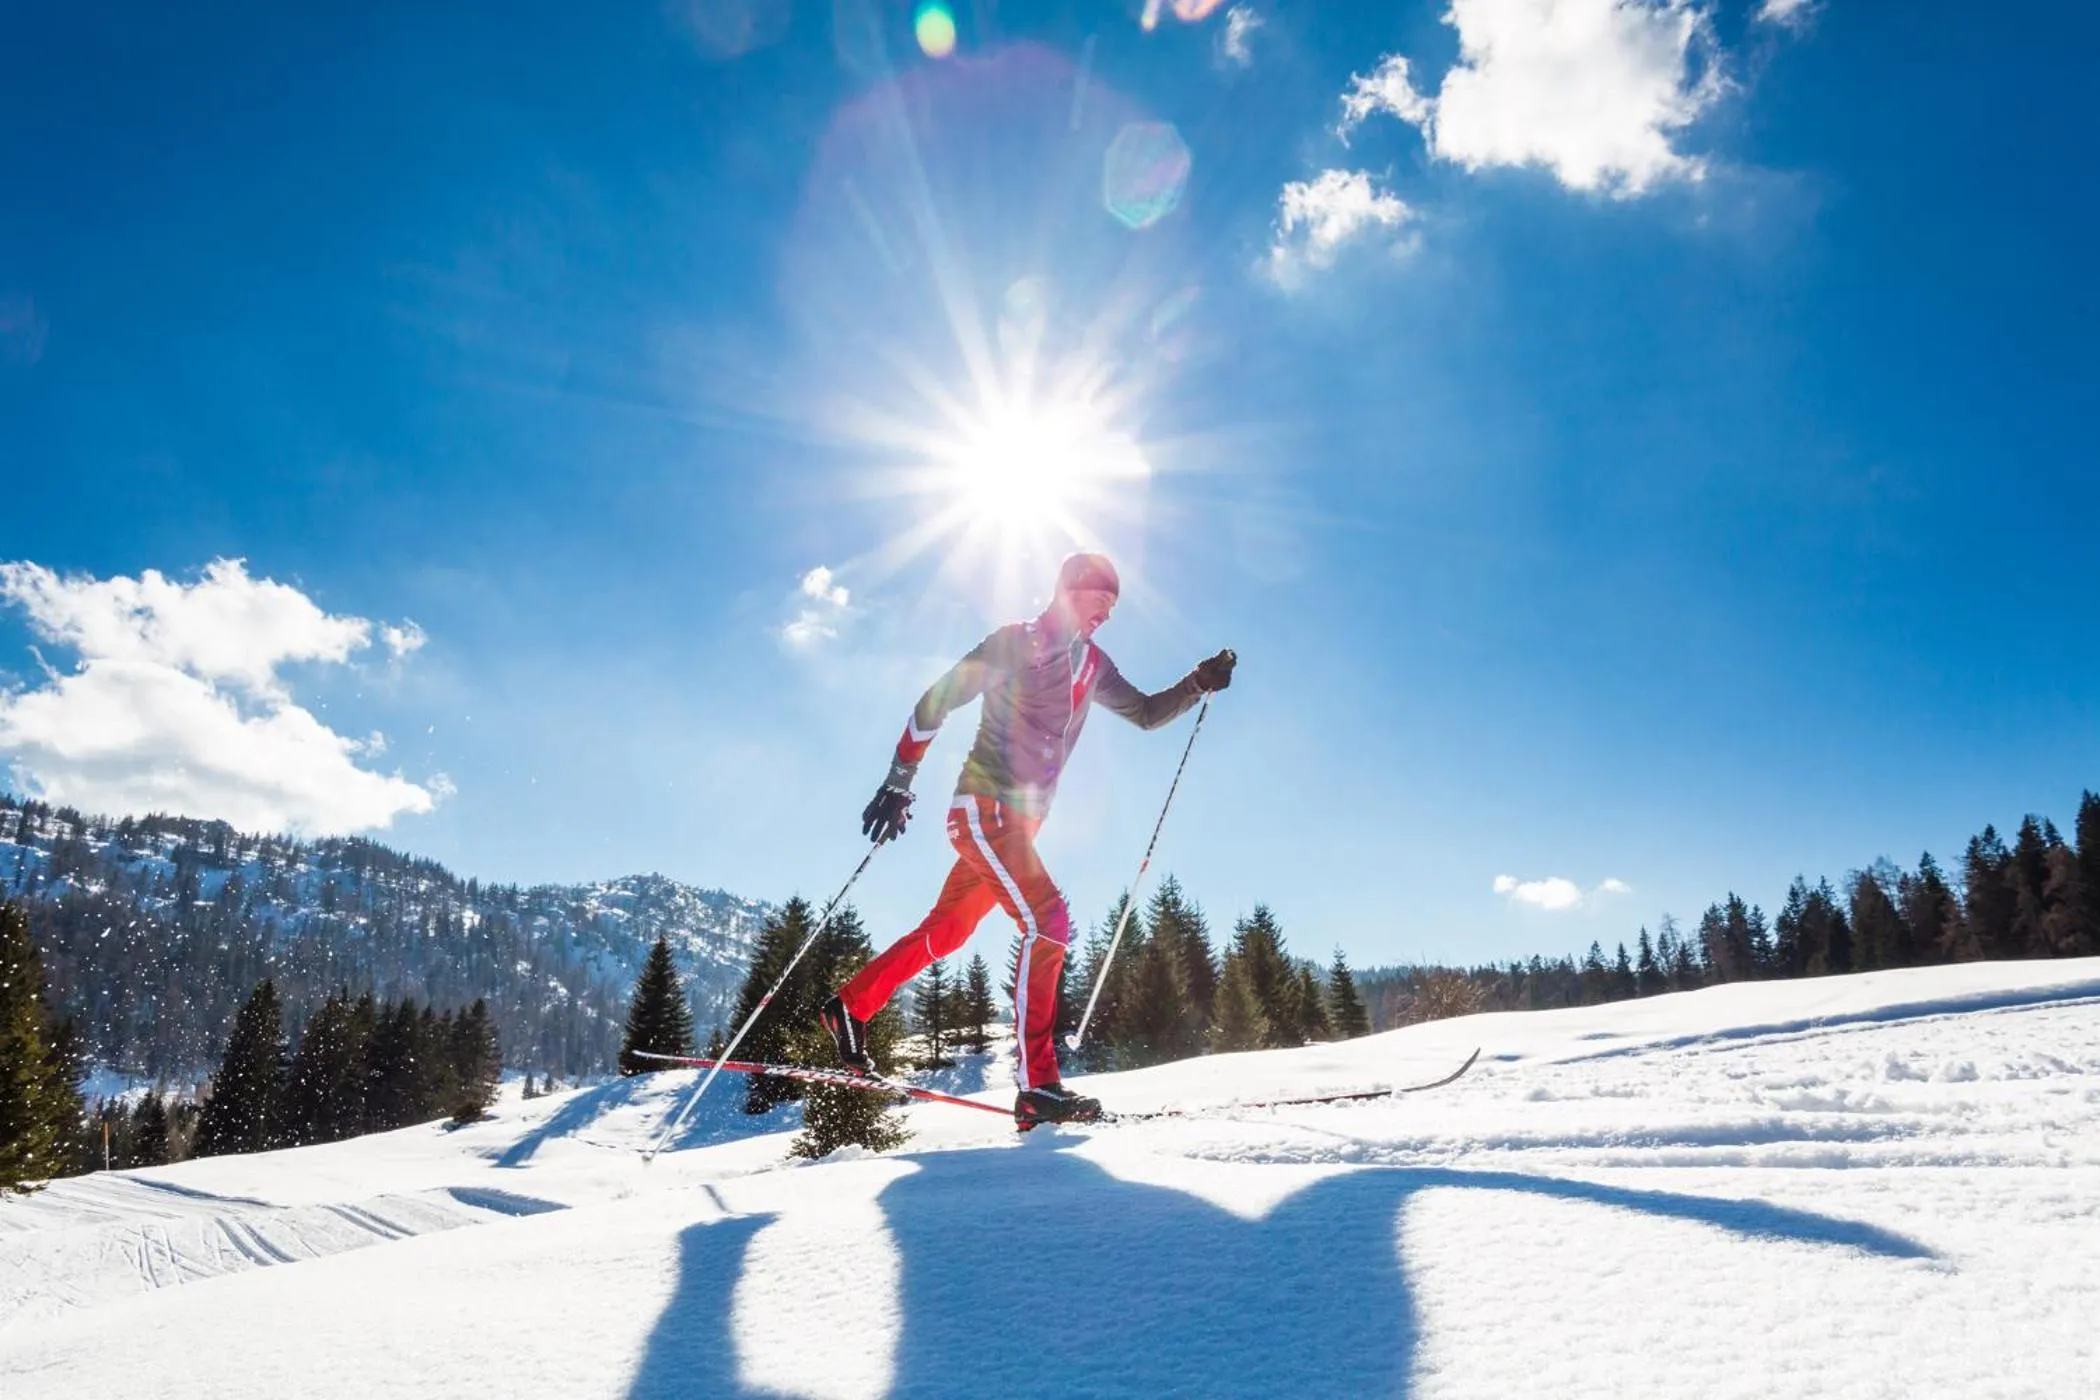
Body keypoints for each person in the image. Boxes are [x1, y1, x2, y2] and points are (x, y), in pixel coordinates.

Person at [820, 551, 1235, 1125]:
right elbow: (936, 701)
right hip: (984, 809)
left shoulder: (1094, 666)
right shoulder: (1016, 642)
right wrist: (898, 781)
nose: (1107, 616)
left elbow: (1142, 712)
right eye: (1101, 601)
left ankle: (850, 1006)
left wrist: (1196, 683)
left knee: (949, 929)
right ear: (1069, 590)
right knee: (1049, 920)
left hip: (1018, 826)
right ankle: (1038, 1087)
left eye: (1114, 607)